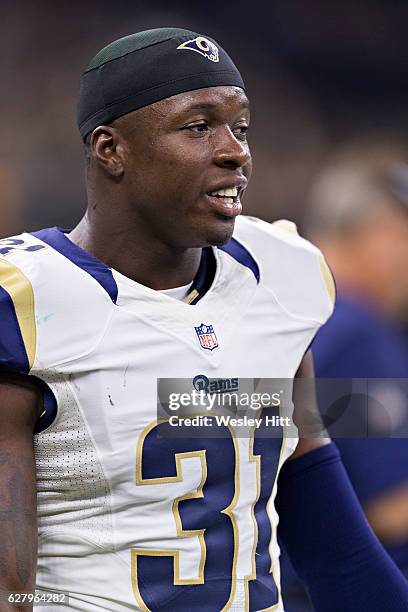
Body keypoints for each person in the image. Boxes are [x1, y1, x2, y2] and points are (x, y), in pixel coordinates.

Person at [0, 28, 407, 612]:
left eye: (240, 128)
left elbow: (329, 538)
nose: (235, 150)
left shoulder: (281, 279)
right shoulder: (25, 305)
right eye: (198, 127)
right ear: (110, 148)